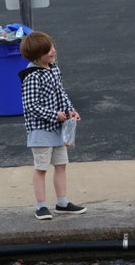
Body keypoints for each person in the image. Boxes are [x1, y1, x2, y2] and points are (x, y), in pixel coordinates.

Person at [18, 31, 87, 220]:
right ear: (37, 54)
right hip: (41, 131)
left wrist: (71, 110)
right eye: (48, 50)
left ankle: (62, 202)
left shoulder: (53, 69)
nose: (53, 51)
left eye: (52, 47)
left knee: (61, 164)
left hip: (58, 128)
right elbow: (30, 106)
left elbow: (61, 93)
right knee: (41, 167)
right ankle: (41, 206)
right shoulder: (32, 76)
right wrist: (54, 115)